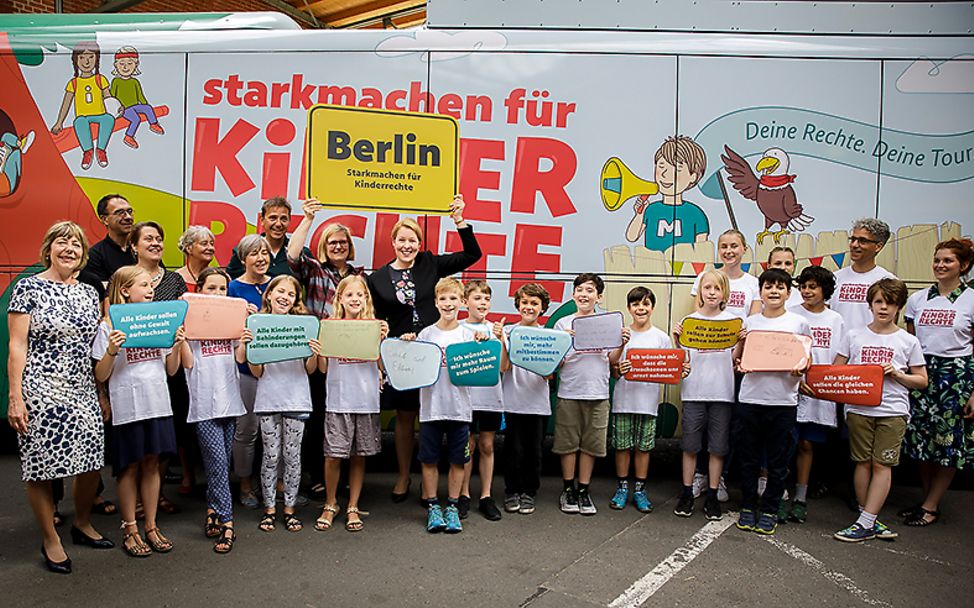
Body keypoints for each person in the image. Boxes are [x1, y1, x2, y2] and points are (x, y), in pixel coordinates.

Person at [7, 221, 113, 574]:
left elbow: (94, 345)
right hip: (40, 388)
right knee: (40, 468)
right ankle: (50, 538)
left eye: (76, 245)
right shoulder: (27, 288)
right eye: (62, 242)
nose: (69, 249)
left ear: (84, 254)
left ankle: (81, 523)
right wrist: (15, 397)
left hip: (82, 387)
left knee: (91, 463)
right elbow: (17, 345)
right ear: (48, 248)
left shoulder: (87, 291)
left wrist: (100, 392)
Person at [367, 194, 482, 502]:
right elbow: (375, 319)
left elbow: (473, 254)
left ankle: (446, 487)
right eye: (402, 240)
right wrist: (381, 356)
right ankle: (404, 477)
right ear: (393, 242)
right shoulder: (377, 279)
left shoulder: (430, 263)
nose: (407, 245)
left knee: (437, 417)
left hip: (436, 350)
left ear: (419, 243)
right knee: (405, 418)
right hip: (404, 355)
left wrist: (459, 220)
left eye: (413, 240)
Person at [93, 265, 184, 557]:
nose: (150, 290)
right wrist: (111, 350)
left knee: (152, 463)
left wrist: (177, 345)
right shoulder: (108, 326)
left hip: (158, 403)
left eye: (151, 286)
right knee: (129, 467)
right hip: (128, 407)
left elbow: (171, 370)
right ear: (124, 291)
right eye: (143, 285)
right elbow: (101, 375)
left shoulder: (160, 323)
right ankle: (130, 527)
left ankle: (152, 525)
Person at [832, 278, 927, 542]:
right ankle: (867, 517)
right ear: (870, 304)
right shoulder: (853, 335)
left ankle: (865, 521)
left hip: (892, 409)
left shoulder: (908, 341)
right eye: (879, 302)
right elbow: (837, 370)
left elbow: (921, 380)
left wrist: (897, 375)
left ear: (899, 307)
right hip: (858, 409)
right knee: (862, 462)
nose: (884, 308)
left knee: (882, 464)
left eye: (890, 303)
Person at [287, 200, 364, 500]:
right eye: (332, 242)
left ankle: (342, 478)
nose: (338, 246)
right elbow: (292, 254)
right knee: (319, 416)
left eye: (343, 242)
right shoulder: (315, 270)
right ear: (324, 246)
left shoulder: (359, 277)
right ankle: (318, 476)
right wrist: (307, 218)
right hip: (321, 355)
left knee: (344, 417)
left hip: (348, 359)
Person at [901, 238, 974, 527]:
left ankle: (932, 505)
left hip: (956, 376)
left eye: (948, 261)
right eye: (937, 260)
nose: (940, 265)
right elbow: (911, 341)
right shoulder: (918, 299)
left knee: (947, 443)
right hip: (923, 371)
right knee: (921, 441)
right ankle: (925, 499)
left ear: (963, 266)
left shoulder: (971, 299)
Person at [405, 278, 487, 534]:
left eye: (453, 299)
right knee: (428, 460)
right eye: (443, 299)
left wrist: (482, 342)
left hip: (460, 410)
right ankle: (432, 506)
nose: (448, 303)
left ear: (462, 302)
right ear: (436, 302)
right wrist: (407, 344)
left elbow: (483, 365)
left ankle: (452, 506)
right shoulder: (426, 334)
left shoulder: (468, 335)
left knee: (458, 461)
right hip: (430, 410)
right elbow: (410, 367)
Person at [733, 269, 811, 535]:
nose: (774, 291)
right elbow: (737, 359)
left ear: (789, 293)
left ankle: (769, 510)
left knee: (778, 462)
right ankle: (747, 505)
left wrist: (801, 370)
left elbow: (806, 360)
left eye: (780, 287)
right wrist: (740, 357)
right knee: (748, 458)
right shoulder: (750, 322)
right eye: (768, 286)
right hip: (750, 398)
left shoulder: (798, 323)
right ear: (761, 292)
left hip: (783, 402)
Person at [688, 229, 760, 499]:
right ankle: (699, 475)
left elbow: (751, 326)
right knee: (699, 425)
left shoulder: (753, 283)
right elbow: (696, 320)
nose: (729, 251)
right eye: (724, 246)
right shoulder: (705, 278)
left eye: (734, 246)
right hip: (708, 363)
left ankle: (721, 477)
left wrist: (740, 355)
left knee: (728, 425)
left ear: (744, 249)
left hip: (736, 363)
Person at [180, 268, 248, 554]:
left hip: (230, 401)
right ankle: (228, 521)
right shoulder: (191, 321)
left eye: (222, 289)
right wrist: (181, 338)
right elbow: (187, 364)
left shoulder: (232, 321)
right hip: (204, 404)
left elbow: (240, 358)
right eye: (212, 288)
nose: (218, 294)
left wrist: (244, 337)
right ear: (201, 289)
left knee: (220, 462)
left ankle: (212, 509)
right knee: (218, 463)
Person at [314, 276, 388, 533]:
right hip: (338, 400)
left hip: (366, 401)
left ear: (366, 299)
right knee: (333, 454)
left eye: (360, 295)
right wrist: (319, 350)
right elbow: (323, 368)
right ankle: (330, 502)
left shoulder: (374, 326)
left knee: (359, 455)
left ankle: (353, 506)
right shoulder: (330, 326)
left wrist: (383, 343)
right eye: (350, 295)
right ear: (340, 299)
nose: (355, 299)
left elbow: (382, 365)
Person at [246, 275, 319, 533]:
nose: (284, 297)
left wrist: (313, 353)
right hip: (268, 399)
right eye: (280, 291)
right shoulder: (258, 325)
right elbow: (256, 372)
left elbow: (310, 369)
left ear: (295, 300)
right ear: (269, 294)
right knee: (270, 456)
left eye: (291, 294)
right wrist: (250, 348)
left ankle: (289, 509)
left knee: (292, 456)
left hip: (297, 398)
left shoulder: (304, 326)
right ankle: (269, 509)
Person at [553, 272, 627, 516]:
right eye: (580, 290)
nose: (584, 295)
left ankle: (584, 490)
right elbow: (555, 363)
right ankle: (568, 489)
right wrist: (564, 342)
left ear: (599, 297)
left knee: (591, 445)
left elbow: (611, 359)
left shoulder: (607, 323)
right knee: (568, 444)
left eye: (590, 291)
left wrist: (622, 343)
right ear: (573, 294)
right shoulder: (563, 324)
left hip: (598, 392)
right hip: (570, 391)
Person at [130, 221, 191, 507]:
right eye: (148, 239)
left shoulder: (174, 280)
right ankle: (138, 499)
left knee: (168, 435)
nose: (155, 243)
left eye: (159, 238)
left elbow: (181, 320)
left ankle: (156, 494)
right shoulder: (125, 278)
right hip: (136, 371)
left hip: (170, 369)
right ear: (134, 246)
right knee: (137, 438)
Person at [610, 286, 681, 513]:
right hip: (623, 400)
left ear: (652, 307)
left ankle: (640, 489)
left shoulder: (661, 337)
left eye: (645, 304)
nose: (641, 308)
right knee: (622, 447)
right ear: (629, 308)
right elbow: (613, 370)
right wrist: (619, 367)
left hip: (648, 403)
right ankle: (622, 488)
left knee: (644, 447)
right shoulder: (621, 335)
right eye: (636, 304)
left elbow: (669, 369)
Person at [673, 270, 738, 520]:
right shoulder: (689, 321)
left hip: (722, 393)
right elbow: (685, 360)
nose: (712, 292)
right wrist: (677, 341)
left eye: (717, 288)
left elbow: (733, 359)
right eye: (707, 287)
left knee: (718, 447)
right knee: (690, 445)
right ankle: (687, 491)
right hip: (694, 392)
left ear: (724, 294)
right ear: (699, 291)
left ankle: (712, 494)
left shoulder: (732, 322)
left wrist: (740, 341)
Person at [786, 266, 844, 524]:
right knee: (785, 442)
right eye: (804, 286)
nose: (807, 291)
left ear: (825, 290)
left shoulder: (835, 320)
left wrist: (827, 383)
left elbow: (839, 357)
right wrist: (796, 380)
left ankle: (800, 496)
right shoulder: (791, 314)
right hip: (790, 386)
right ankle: (778, 492)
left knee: (807, 444)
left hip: (819, 391)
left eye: (813, 287)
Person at [499, 283, 552, 516]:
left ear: (542, 309)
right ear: (518, 305)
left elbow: (550, 373)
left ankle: (530, 492)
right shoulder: (508, 332)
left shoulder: (550, 336)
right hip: (512, 401)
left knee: (534, 452)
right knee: (513, 450)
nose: (529, 307)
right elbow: (504, 367)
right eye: (525, 302)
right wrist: (502, 341)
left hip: (538, 404)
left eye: (534, 303)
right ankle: (512, 491)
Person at [227, 234, 272, 508]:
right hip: (245, 369)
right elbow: (228, 329)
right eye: (254, 253)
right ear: (244, 259)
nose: (261, 258)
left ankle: (275, 483)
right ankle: (244, 484)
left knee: (273, 431)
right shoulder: (232, 288)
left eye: (265, 253)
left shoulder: (277, 285)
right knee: (246, 430)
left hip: (275, 370)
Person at [458, 279, 504, 521]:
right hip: (466, 399)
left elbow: (504, 366)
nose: (483, 302)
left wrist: (501, 340)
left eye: (486, 298)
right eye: (477, 298)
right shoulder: (459, 329)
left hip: (490, 399)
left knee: (487, 445)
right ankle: (463, 493)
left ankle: (486, 496)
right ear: (465, 302)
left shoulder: (497, 330)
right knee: (468, 446)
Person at [625, 135, 709, 252]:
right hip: (652, 266)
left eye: (677, 169)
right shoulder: (651, 209)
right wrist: (640, 214)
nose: (665, 174)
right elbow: (631, 236)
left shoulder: (696, 213)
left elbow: (701, 249)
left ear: (693, 176)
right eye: (661, 166)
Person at [50, 40, 114, 170]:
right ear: (76, 60)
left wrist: (116, 108)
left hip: (100, 114)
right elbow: (66, 103)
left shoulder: (100, 79)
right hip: (83, 116)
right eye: (82, 57)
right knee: (79, 122)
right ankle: (88, 151)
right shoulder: (74, 83)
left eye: (91, 57)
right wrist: (59, 122)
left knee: (109, 119)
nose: (86, 61)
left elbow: (108, 97)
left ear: (96, 59)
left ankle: (101, 150)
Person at [832, 218, 896, 332]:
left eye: (862, 241)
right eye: (853, 239)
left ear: (878, 246)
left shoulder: (889, 281)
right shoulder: (834, 278)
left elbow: (890, 327)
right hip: (837, 347)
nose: (855, 245)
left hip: (870, 347)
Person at [227, 197, 305, 279]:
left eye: (283, 219)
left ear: (289, 221)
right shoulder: (245, 251)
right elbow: (229, 283)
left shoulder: (301, 253)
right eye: (273, 218)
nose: (278, 224)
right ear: (262, 220)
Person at [79, 193, 136, 301]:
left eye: (129, 212)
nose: (128, 217)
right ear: (105, 219)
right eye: (120, 213)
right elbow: (100, 293)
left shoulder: (142, 249)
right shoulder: (94, 256)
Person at [109, 46, 164, 149]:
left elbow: (140, 95)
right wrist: (115, 111)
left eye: (129, 64)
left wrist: (145, 104)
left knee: (147, 108)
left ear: (135, 65)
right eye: (122, 64)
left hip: (135, 105)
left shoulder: (134, 81)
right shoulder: (116, 81)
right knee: (136, 119)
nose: (125, 67)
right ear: (116, 65)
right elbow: (112, 96)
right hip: (124, 108)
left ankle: (153, 124)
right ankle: (129, 136)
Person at [175, 226, 216, 293]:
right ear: (189, 248)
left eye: (212, 244)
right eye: (204, 244)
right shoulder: (175, 278)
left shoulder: (220, 277)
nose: (210, 248)